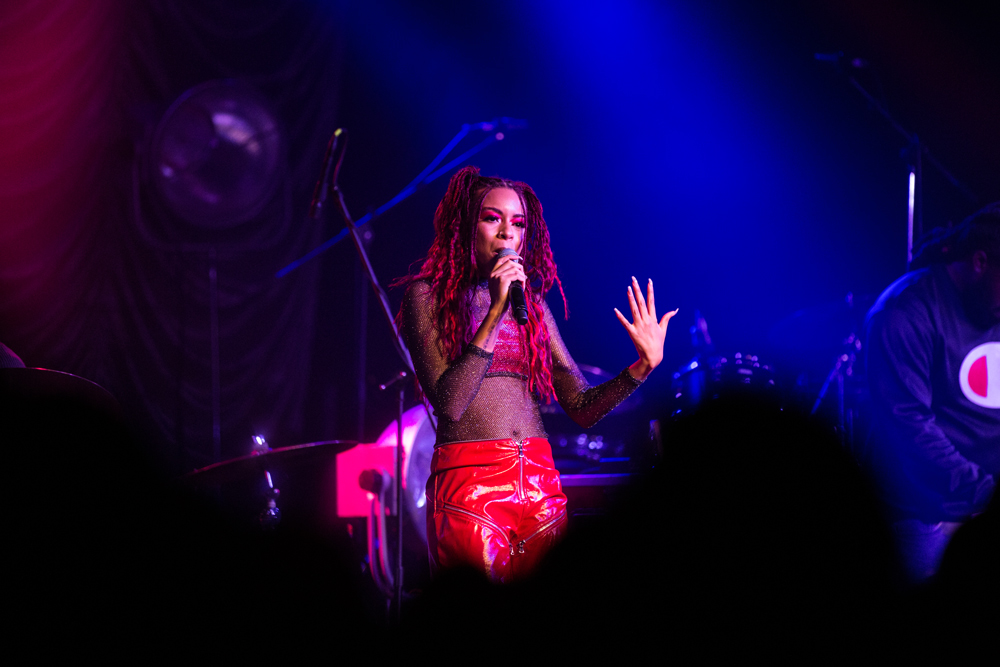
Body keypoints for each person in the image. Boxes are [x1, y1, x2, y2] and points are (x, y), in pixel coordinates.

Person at [398, 166, 676, 583]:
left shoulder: (535, 309)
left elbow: (581, 407)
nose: (507, 233)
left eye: (518, 222)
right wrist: (495, 312)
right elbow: (449, 403)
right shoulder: (428, 297)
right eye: (492, 218)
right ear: (465, 226)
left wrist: (640, 368)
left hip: (541, 487)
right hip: (472, 487)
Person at [865, 201, 1000, 584]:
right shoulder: (904, 312)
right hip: (927, 517)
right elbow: (908, 428)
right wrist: (986, 493)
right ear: (979, 262)